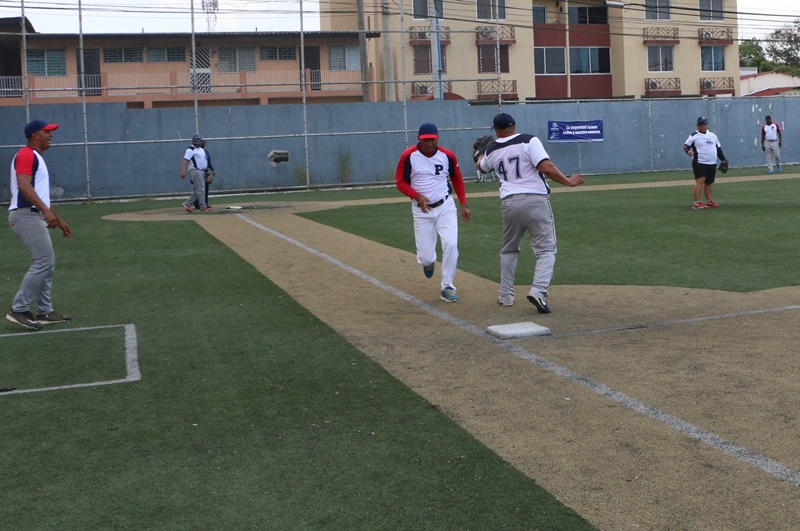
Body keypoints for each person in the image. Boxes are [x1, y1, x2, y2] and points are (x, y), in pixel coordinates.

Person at [475, 112, 584, 313]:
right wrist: (568, 182)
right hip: (535, 201)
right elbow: (546, 167)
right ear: (514, 126)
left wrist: (478, 152)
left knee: (509, 250)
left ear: (498, 131)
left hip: (509, 203)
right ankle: (538, 291)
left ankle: (506, 296)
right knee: (546, 250)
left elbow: (482, 167)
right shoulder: (529, 140)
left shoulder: (492, 149)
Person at [6, 119, 73, 331]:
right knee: (44, 260)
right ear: (35, 135)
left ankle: (44, 311)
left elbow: (39, 195)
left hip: (32, 214)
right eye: (47, 132)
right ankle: (18, 309)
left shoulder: (35, 156)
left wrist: (57, 218)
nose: (50, 135)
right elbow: (24, 186)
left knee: (47, 263)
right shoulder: (27, 154)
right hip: (25, 214)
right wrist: (45, 211)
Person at [396, 123, 471, 303]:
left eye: (432, 139)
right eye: (426, 140)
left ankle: (447, 286)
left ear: (437, 138)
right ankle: (428, 263)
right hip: (422, 210)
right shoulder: (409, 156)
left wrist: (463, 204)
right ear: (419, 140)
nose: (429, 143)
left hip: (445, 206)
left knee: (451, 245)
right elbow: (400, 182)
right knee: (425, 257)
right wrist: (417, 196)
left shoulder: (447, 155)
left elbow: (457, 178)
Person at [683, 116, 727, 209]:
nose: (701, 126)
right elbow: (686, 146)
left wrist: (723, 159)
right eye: (700, 124)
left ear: (707, 125)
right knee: (700, 181)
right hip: (700, 162)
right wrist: (688, 152)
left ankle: (709, 201)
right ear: (697, 126)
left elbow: (718, 149)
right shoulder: (694, 135)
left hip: (712, 163)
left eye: (703, 124)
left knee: (709, 182)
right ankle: (696, 203)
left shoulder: (713, 136)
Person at [181, 135, 212, 212]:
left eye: (199, 141)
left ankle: (188, 203)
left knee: (199, 188)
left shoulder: (201, 150)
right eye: (196, 141)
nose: (197, 143)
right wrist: (183, 171)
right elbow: (185, 160)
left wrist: (206, 168)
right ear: (193, 142)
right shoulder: (190, 149)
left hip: (202, 171)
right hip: (195, 170)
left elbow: (203, 160)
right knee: (200, 189)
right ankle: (203, 206)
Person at [192, 139, 216, 209]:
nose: (202, 145)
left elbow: (208, 162)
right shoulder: (194, 151)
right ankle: (197, 203)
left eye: (202, 143)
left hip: (205, 171)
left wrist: (212, 170)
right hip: (198, 171)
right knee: (198, 188)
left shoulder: (205, 152)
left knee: (205, 187)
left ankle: (205, 203)